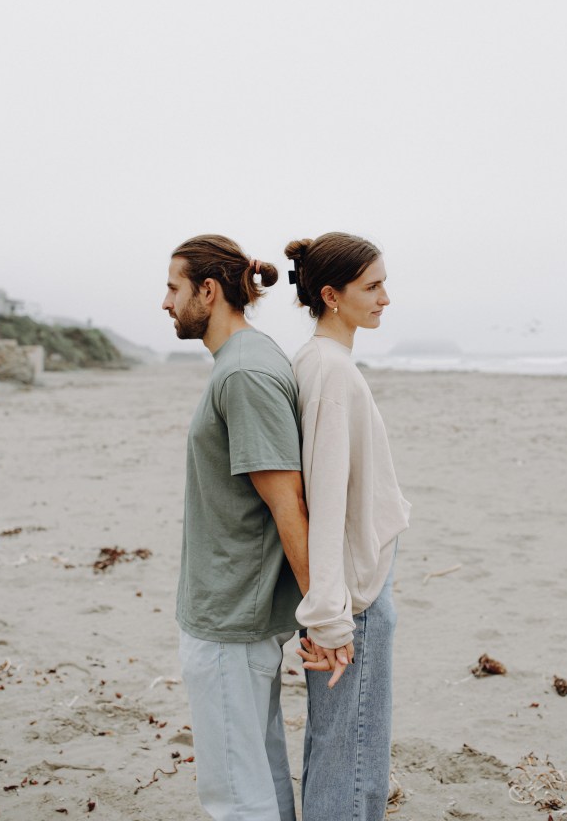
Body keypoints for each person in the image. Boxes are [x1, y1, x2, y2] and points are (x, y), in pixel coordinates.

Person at [162, 234, 310, 821]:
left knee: (235, 795)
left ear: (208, 290)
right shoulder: (244, 359)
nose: (165, 302)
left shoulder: (244, 372)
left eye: (173, 288)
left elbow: (287, 501)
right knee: (259, 772)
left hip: (231, 616)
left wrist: (323, 615)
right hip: (234, 608)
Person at [284, 232, 411, 821]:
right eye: (372, 286)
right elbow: (325, 500)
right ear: (331, 296)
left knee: (338, 746)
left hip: (348, 589)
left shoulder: (320, 362)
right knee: (353, 756)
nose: (385, 297)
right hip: (354, 594)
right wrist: (331, 617)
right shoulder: (330, 372)